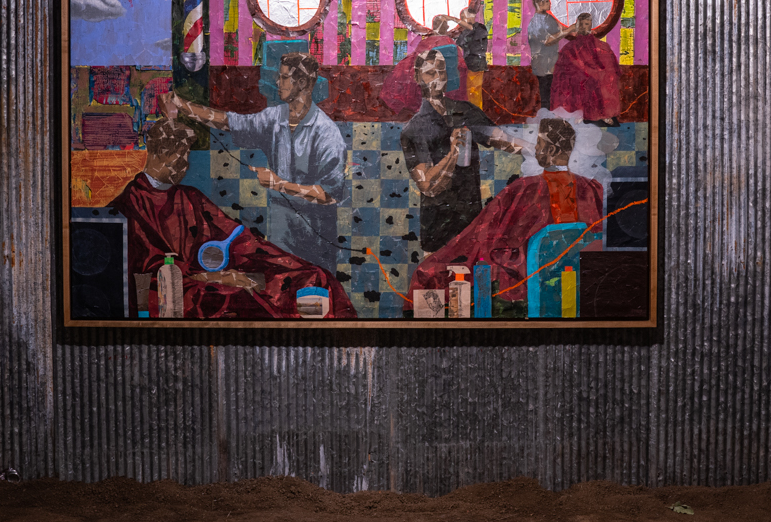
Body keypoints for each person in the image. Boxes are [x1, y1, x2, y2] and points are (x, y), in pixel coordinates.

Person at [107, 118, 355, 319]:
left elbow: (235, 236)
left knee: (310, 276)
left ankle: (320, 332)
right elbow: (148, 269)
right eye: (181, 156)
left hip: (215, 273)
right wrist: (211, 277)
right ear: (160, 153)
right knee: (242, 296)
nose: (186, 164)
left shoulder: (190, 195)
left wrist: (279, 261)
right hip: (180, 289)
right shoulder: (129, 205)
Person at [163, 51, 348, 272]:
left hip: (317, 236)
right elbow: (229, 122)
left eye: (284, 77)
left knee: (318, 292)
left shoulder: (327, 133)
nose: (277, 82)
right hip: (281, 230)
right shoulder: (274, 118)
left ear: (302, 82)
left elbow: (330, 195)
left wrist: (278, 184)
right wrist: (182, 106)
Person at [411, 117, 604, 307]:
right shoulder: (592, 189)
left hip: (529, 279)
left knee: (429, 271)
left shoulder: (524, 189)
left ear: (551, 150)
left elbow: (486, 237)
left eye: (539, 143)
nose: (535, 149)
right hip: (576, 278)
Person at [401, 45, 526, 253]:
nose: (438, 77)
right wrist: (452, 154)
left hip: (471, 222)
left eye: (441, 70)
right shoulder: (414, 129)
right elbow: (428, 186)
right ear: (418, 77)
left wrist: (536, 148)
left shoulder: (465, 111)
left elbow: (501, 139)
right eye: (431, 72)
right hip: (437, 229)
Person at [550, 11, 622, 124]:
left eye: (587, 24)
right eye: (582, 24)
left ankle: (604, 114)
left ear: (591, 25)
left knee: (602, 78)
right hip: (577, 75)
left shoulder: (600, 46)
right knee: (573, 79)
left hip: (593, 73)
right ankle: (575, 112)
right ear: (578, 24)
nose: (584, 26)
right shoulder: (569, 48)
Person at [524, 0, 565, 109]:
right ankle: (545, 118)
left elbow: (560, 31)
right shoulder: (535, 22)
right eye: (547, 1)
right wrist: (567, 31)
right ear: (539, 4)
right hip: (542, 63)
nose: (549, 3)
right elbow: (547, 41)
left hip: (552, 62)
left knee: (551, 92)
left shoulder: (550, 18)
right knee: (545, 93)